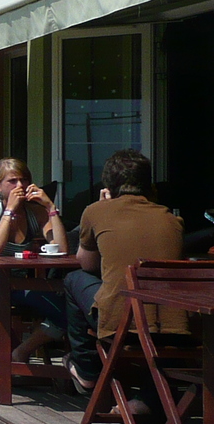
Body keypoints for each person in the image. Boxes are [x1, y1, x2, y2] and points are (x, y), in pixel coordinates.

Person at [62, 149, 186, 397]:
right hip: (174, 327)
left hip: (122, 323)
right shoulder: (172, 219)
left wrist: (103, 211)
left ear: (108, 184)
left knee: (73, 279)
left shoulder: (96, 211)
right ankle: (149, 400)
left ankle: (87, 370)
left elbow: (86, 264)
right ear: (148, 184)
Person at [0, 157, 68, 379]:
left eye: (24, 180)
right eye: (12, 181)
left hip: (18, 281)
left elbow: (60, 247)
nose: (20, 186)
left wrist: (50, 207)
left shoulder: (34, 212)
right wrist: (10, 210)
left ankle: (22, 350)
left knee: (66, 311)